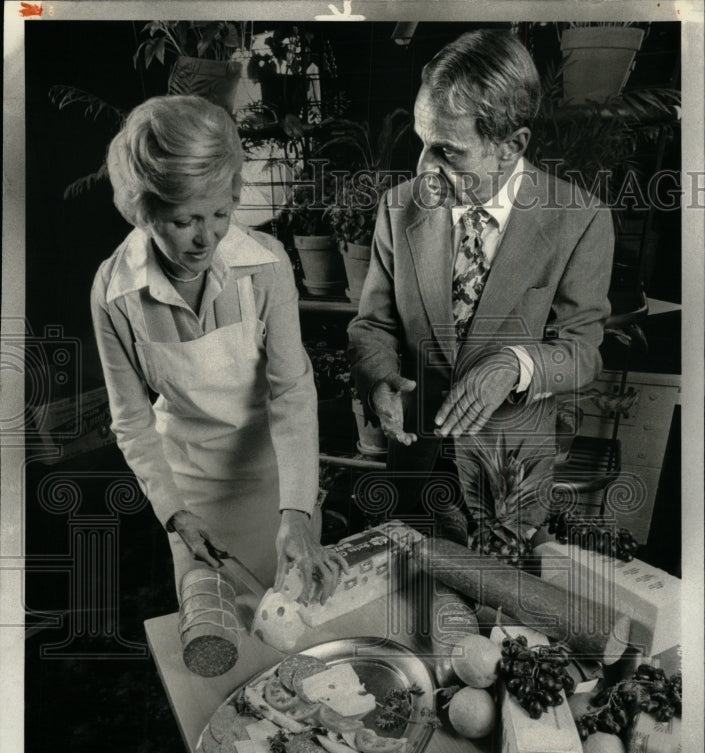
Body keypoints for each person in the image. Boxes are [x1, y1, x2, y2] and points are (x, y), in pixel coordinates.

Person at [348, 29, 614, 542]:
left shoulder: (580, 219)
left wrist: (517, 364)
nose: (425, 167)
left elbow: (582, 351)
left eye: (448, 151)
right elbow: (372, 324)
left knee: (503, 619)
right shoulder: (398, 207)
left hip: (510, 476)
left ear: (512, 145)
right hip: (415, 467)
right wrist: (379, 377)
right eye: (422, 142)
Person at [92, 95, 342, 601]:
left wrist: (295, 512)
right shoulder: (114, 292)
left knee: (297, 619)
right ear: (143, 212)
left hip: (277, 482)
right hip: (191, 490)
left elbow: (292, 394)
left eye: (221, 213)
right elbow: (132, 421)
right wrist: (174, 512)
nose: (206, 239)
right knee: (216, 629)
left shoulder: (268, 266)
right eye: (184, 221)